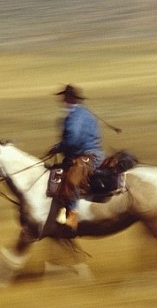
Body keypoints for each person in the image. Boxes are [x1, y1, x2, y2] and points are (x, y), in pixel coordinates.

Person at [47, 84, 106, 230]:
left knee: (71, 179)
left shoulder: (76, 116)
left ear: (70, 98)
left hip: (87, 154)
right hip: (85, 153)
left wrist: (58, 147)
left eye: (65, 97)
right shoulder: (82, 113)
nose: (63, 100)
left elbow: (73, 139)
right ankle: (61, 210)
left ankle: (72, 217)